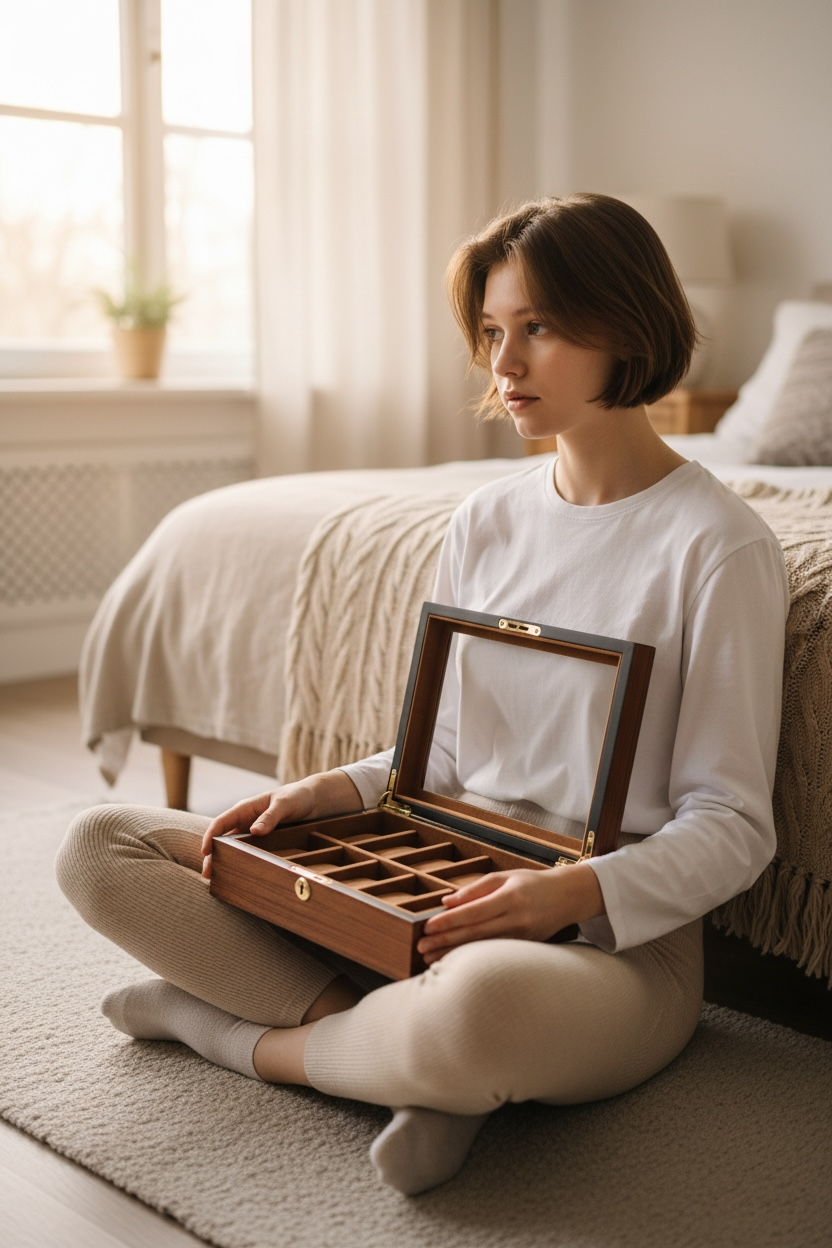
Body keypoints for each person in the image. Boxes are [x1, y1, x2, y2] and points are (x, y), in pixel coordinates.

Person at [56, 193, 789, 1196]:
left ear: (625, 323)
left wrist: (564, 894)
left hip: (609, 948)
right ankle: (419, 1074)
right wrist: (343, 793)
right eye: (492, 331)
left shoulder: (718, 548)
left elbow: (735, 825)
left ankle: (224, 1029)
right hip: (437, 880)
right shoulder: (484, 520)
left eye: (536, 327)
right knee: (101, 849)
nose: (504, 365)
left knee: (479, 1009)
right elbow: (439, 761)